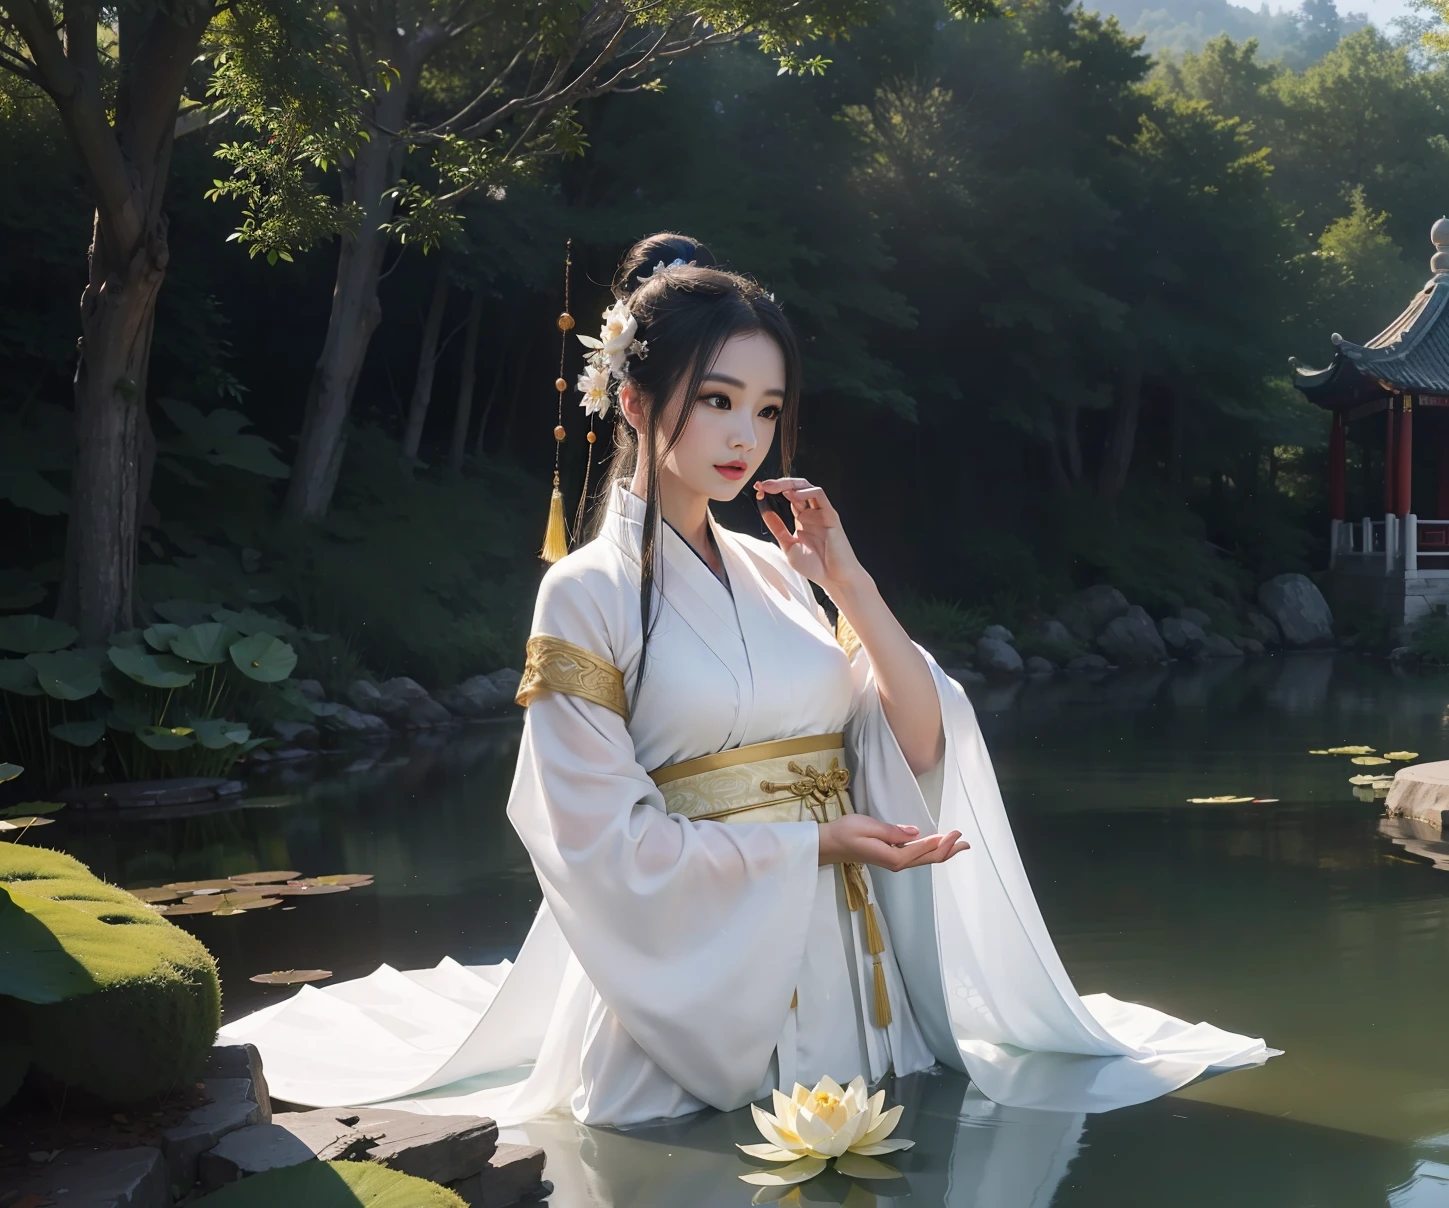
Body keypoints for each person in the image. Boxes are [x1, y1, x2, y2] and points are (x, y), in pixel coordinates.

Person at [224, 234, 1273, 1126]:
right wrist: (809, 842)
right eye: (716, 399)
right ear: (634, 402)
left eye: (766, 410)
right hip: (694, 975)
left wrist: (851, 581)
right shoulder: (584, 594)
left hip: (849, 959)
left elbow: (916, 740)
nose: (743, 434)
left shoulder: (781, 571)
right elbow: (593, 843)